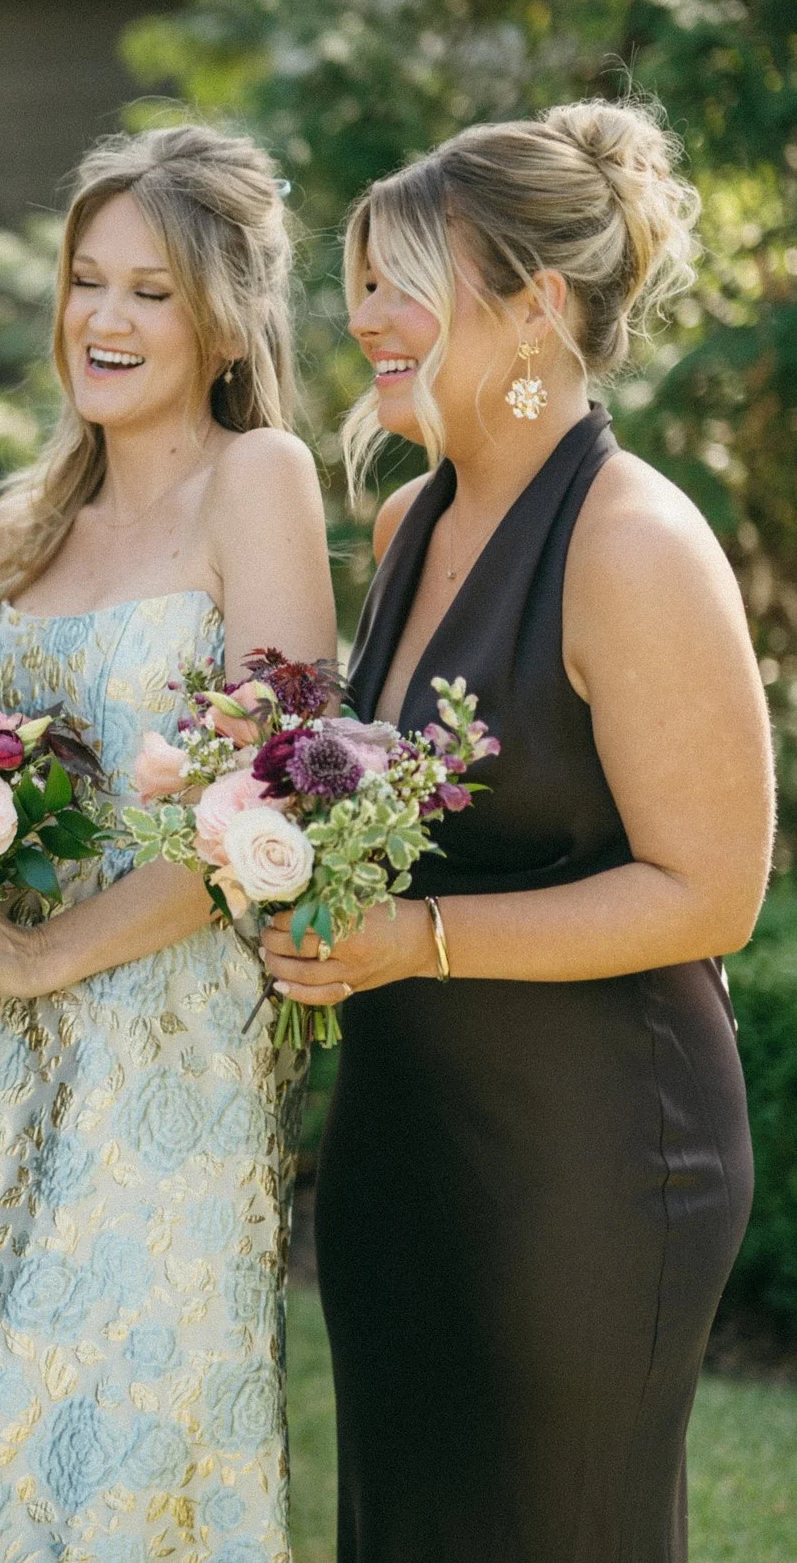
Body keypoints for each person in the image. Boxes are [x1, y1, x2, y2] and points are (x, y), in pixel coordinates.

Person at [0, 125, 332, 1562]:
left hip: (162, 1053)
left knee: (106, 1442)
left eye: (149, 291)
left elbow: (267, 803)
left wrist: (53, 951)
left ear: (223, 317)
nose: (103, 320)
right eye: (86, 281)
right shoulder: (15, 526)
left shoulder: (259, 478)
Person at [262, 99, 763, 1562]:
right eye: (361, 279)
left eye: (408, 279)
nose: (368, 317)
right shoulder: (412, 521)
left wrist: (409, 937)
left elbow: (711, 890)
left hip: (591, 1162)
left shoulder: (635, 540)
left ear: (536, 308)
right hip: (403, 1143)